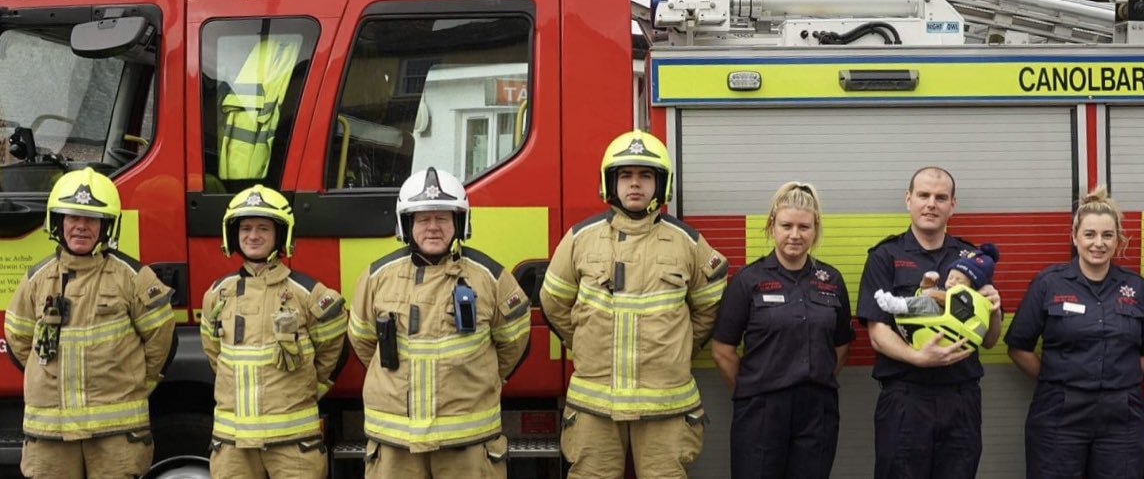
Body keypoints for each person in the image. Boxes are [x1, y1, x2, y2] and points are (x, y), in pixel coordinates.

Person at [540, 130, 728, 478]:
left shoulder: (687, 242)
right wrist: (583, 340)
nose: (635, 184)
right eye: (625, 175)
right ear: (610, 183)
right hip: (595, 405)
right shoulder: (580, 239)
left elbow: (709, 307)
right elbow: (554, 303)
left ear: (661, 184)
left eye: (645, 175)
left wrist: (680, 346)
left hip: (666, 406)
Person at [347, 167, 531, 478]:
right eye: (423, 218)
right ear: (407, 223)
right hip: (395, 443)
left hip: (467, 442)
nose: (433, 227)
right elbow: (363, 341)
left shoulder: (489, 277)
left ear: (460, 222)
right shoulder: (378, 277)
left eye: (443, 218)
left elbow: (514, 342)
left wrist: (478, 378)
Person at [4, 167, 176, 478]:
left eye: (91, 219)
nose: (81, 227)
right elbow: (18, 342)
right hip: (51, 435)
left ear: (106, 225)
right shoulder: (36, 280)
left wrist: (136, 384)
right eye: (73, 217)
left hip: (115, 435)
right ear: (58, 222)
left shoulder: (133, 277)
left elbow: (162, 339)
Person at [1005, 186, 1144, 479]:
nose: (1098, 243)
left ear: (1118, 240)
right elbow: (1018, 347)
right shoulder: (1048, 283)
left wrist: (1121, 375)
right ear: (1075, 237)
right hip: (1059, 414)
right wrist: (1055, 377)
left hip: (1121, 417)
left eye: (1107, 235)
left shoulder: (1136, 287)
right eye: (1090, 234)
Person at [857, 166, 1003, 479]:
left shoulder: (973, 259)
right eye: (923, 195)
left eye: (940, 197)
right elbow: (877, 332)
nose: (931, 204)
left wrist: (994, 309)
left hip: (961, 397)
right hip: (906, 397)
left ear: (953, 204)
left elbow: (990, 340)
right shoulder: (885, 256)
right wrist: (918, 358)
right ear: (908, 199)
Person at [200, 185, 347, 478]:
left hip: (294, 445)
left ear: (280, 235)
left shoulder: (306, 292)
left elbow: (334, 348)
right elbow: (214, 352)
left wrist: (308, 389)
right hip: (233, 445)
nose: (253, 236)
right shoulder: (218, 294)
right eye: (246, 228)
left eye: (263, 228)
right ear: (234, 235)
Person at [710, 181, 854, 479]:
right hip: (761, 410)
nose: (795, 235)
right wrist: (753, 390)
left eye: (804, 227)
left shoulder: (832, 280)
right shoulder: (747, 281)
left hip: (817, 411)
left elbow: (840, 347)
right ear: (772, 226)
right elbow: (722, 350)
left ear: (815, 229)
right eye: (786, 225)